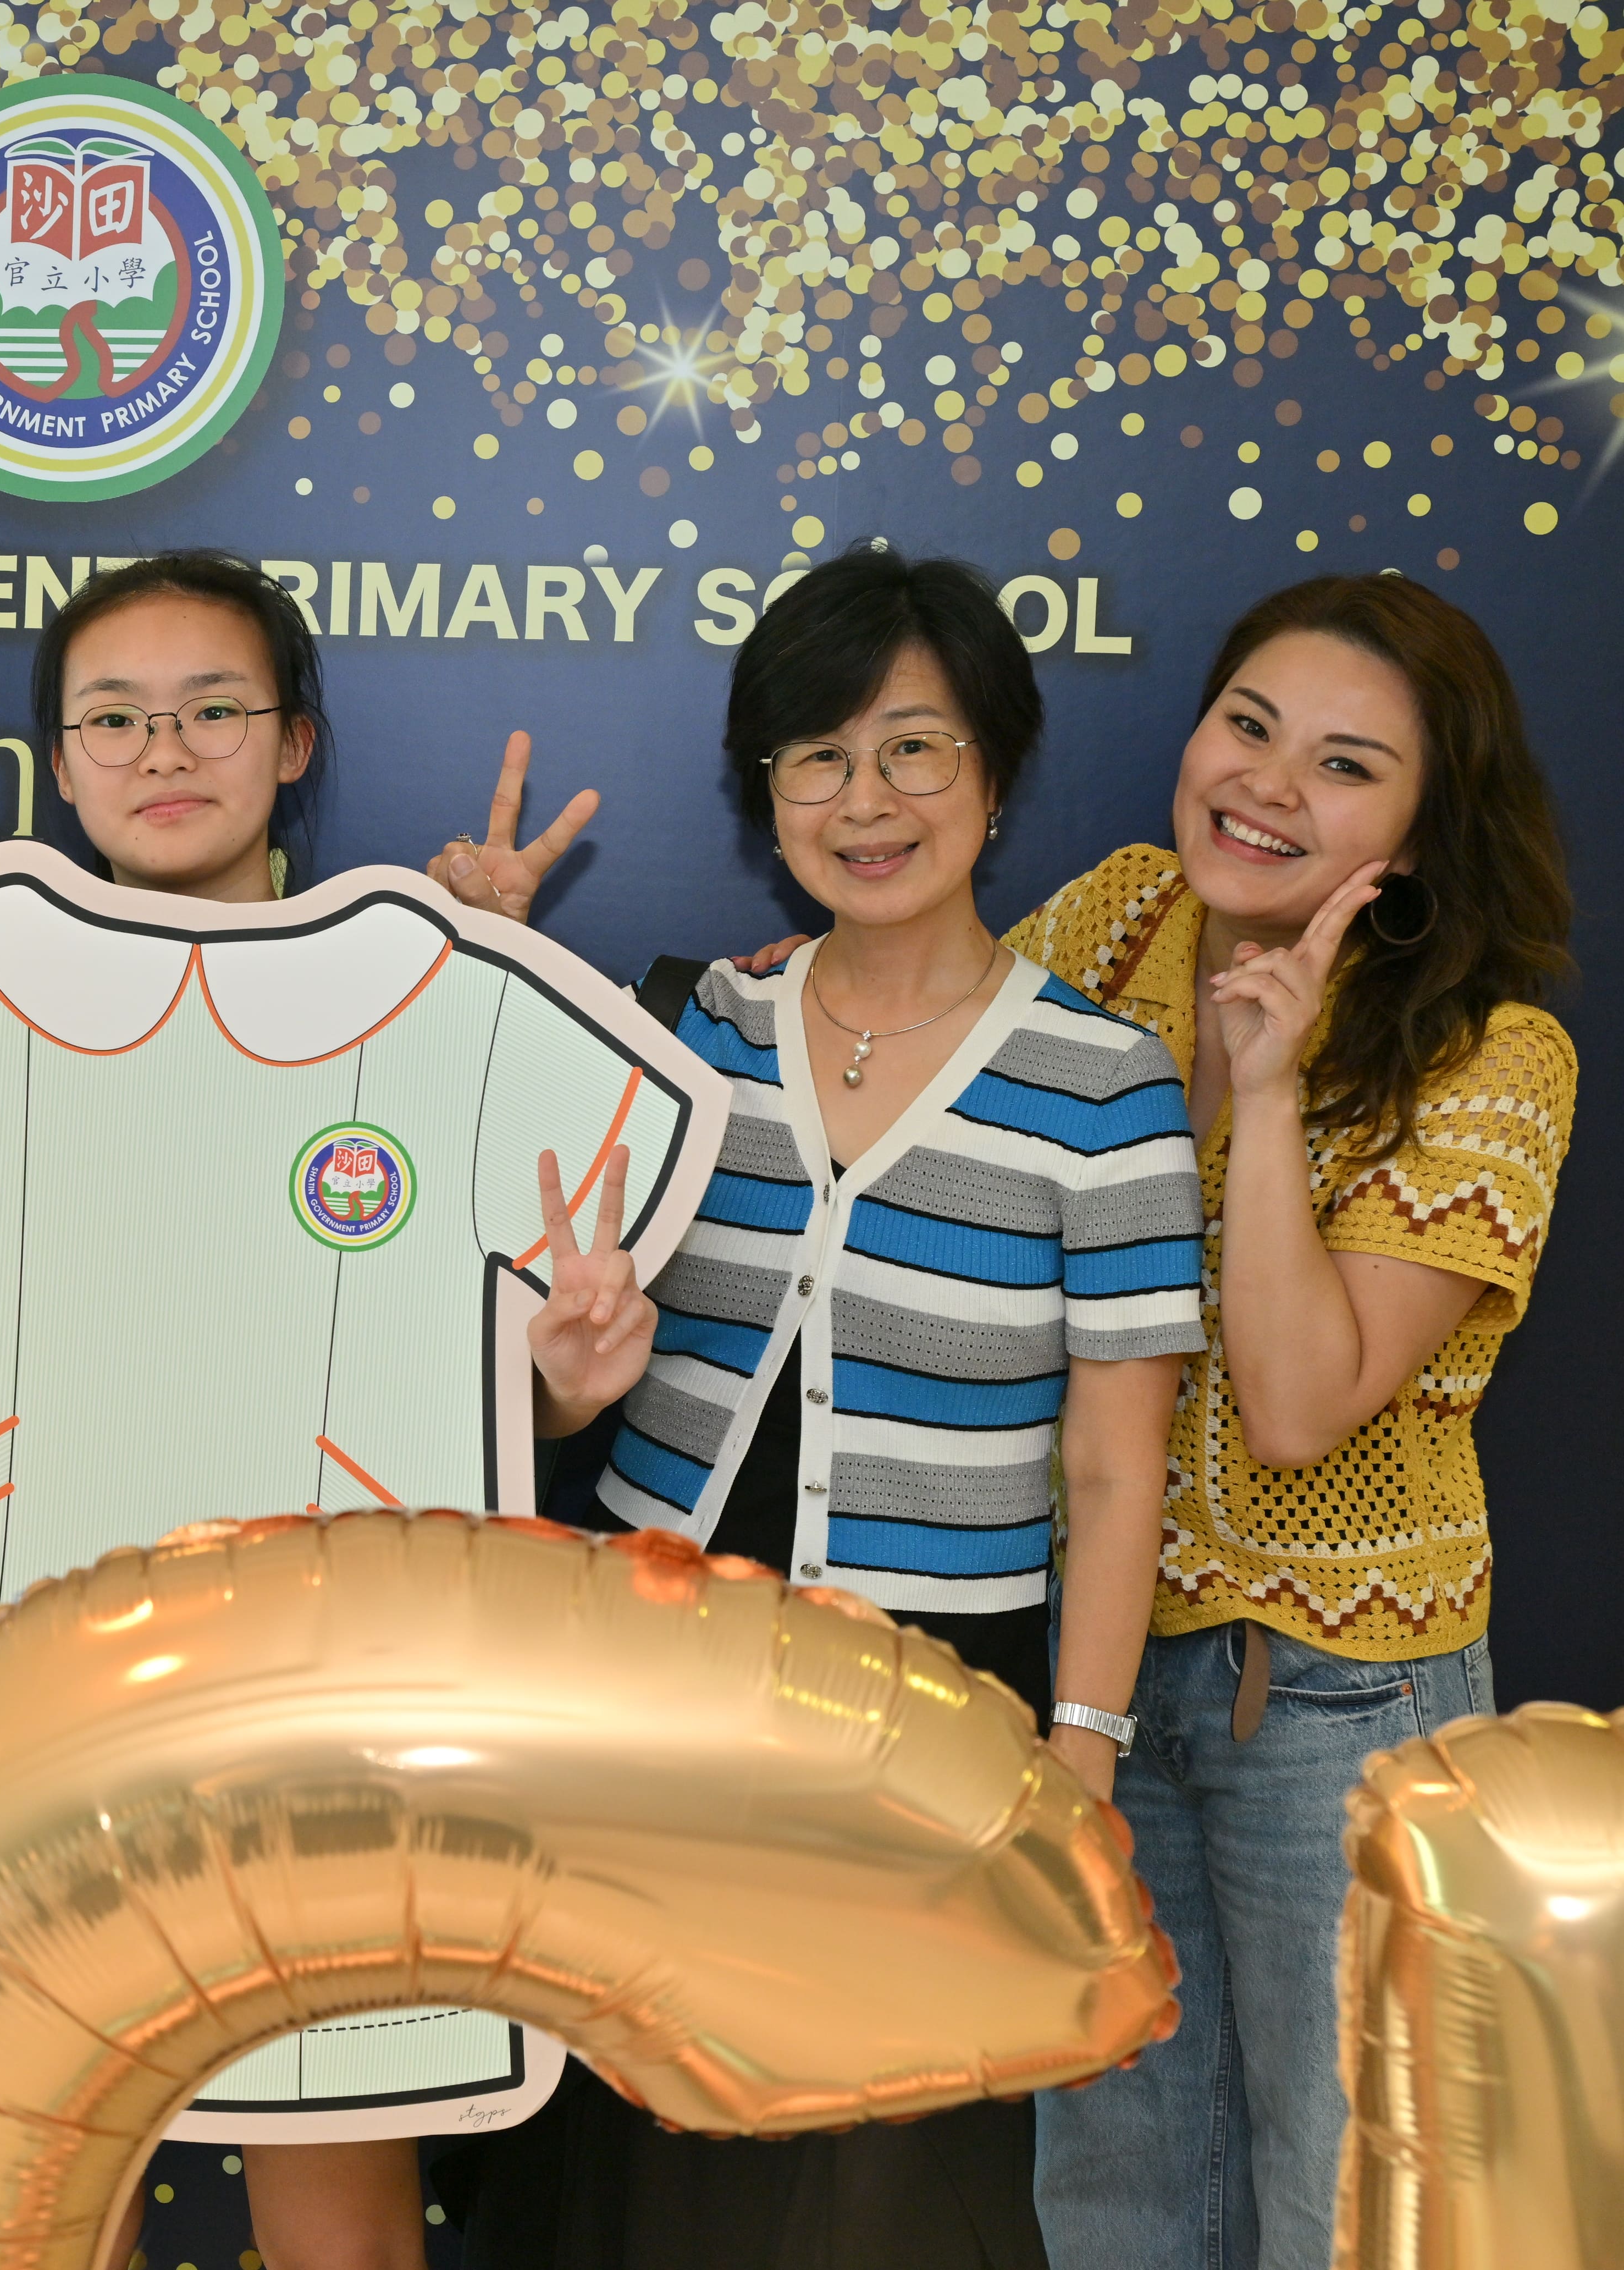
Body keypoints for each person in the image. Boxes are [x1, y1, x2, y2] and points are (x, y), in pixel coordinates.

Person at [0, 548, 659, 2270]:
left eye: (212, 710)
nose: (163, 751)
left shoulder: (435, 1002)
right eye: (113, 718)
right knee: (46, 2188)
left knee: (337, 2193)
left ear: (294, 743)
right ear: (58, 762)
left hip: (319, 1694)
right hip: (30, 1686)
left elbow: (499, 1401)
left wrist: (562, 1379)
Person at [440, 547, 1206, 2269]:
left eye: (915, 749)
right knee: (621, 2175)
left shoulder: (1105, 1086)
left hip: (932, 1708)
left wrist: (1082, 1754)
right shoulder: (690, 1033)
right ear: (766, 792)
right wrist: (478, 973)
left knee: (882, 2179)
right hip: (649, 1676)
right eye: (819, 758)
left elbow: (1115, 1465)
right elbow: (528, 1379)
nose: (867, 802)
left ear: (996, 776)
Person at [998, 578, 1575, 2270]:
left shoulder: (1493, 1055)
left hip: (1336, 1695)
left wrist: (1264, 1090)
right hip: (1100, 1672)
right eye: (1247, 725)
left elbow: (1301, 1401)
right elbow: (923, 1068)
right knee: (1116, 2188)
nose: (1266, 785)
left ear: (1426, 825)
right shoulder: (1119, 919)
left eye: (1344, 765)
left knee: (1344, 2199)